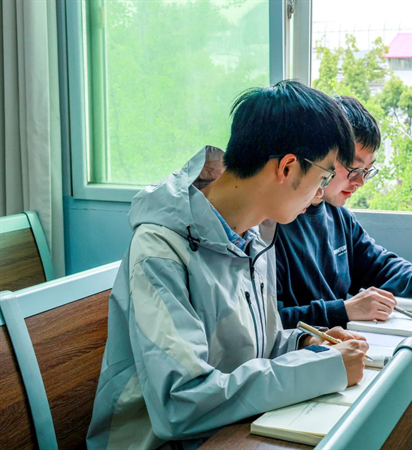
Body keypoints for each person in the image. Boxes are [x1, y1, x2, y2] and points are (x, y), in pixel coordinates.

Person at [87, 82, 369, 450]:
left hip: (230, 431)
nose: (320, 196)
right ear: (287, 167)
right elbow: (181, 403)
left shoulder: (254, 237)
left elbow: (256, 349)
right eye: (324, 178)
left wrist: (308, 342)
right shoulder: (160, 249)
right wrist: (322, 368)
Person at [276, 96, 412, 329]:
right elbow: (270, 323)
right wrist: (344, 310)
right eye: (354, 169)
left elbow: (378, 266)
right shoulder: (275, 221)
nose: (360, 182)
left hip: (342, 342)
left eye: (367, 171)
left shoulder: (339, 217)